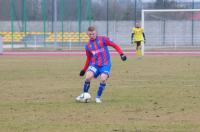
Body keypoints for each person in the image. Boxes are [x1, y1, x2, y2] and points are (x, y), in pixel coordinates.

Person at [76, 26, 127, 103]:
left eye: (93, 34)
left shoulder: (103, 39)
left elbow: (114, 45)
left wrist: (121, 54)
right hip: (94, 64)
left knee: (103, 78)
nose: (92, 36)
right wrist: (84, 69)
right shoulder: (88, 46)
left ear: (95, 33)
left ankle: (98, 97)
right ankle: (84, 95)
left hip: (105, 64)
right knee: (88, 77)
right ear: (87, 34)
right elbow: (88, 58)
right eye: (90, 34)